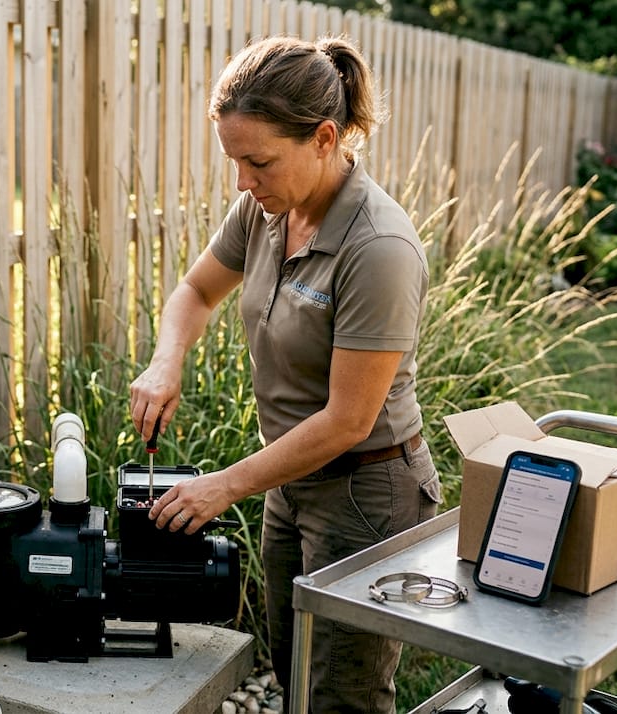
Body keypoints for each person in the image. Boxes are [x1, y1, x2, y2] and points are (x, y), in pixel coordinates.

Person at [128, 35, 440, 714]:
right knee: (292, 668)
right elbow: (194, 293)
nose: (242, 180)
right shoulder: (267, 210)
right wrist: (165, 361)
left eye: (258, 160)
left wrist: (225, 486)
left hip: (366, 493)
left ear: (325, 138)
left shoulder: (377, 247)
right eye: (234, 159)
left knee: (342, 698)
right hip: (290, 481)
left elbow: (349, 419)